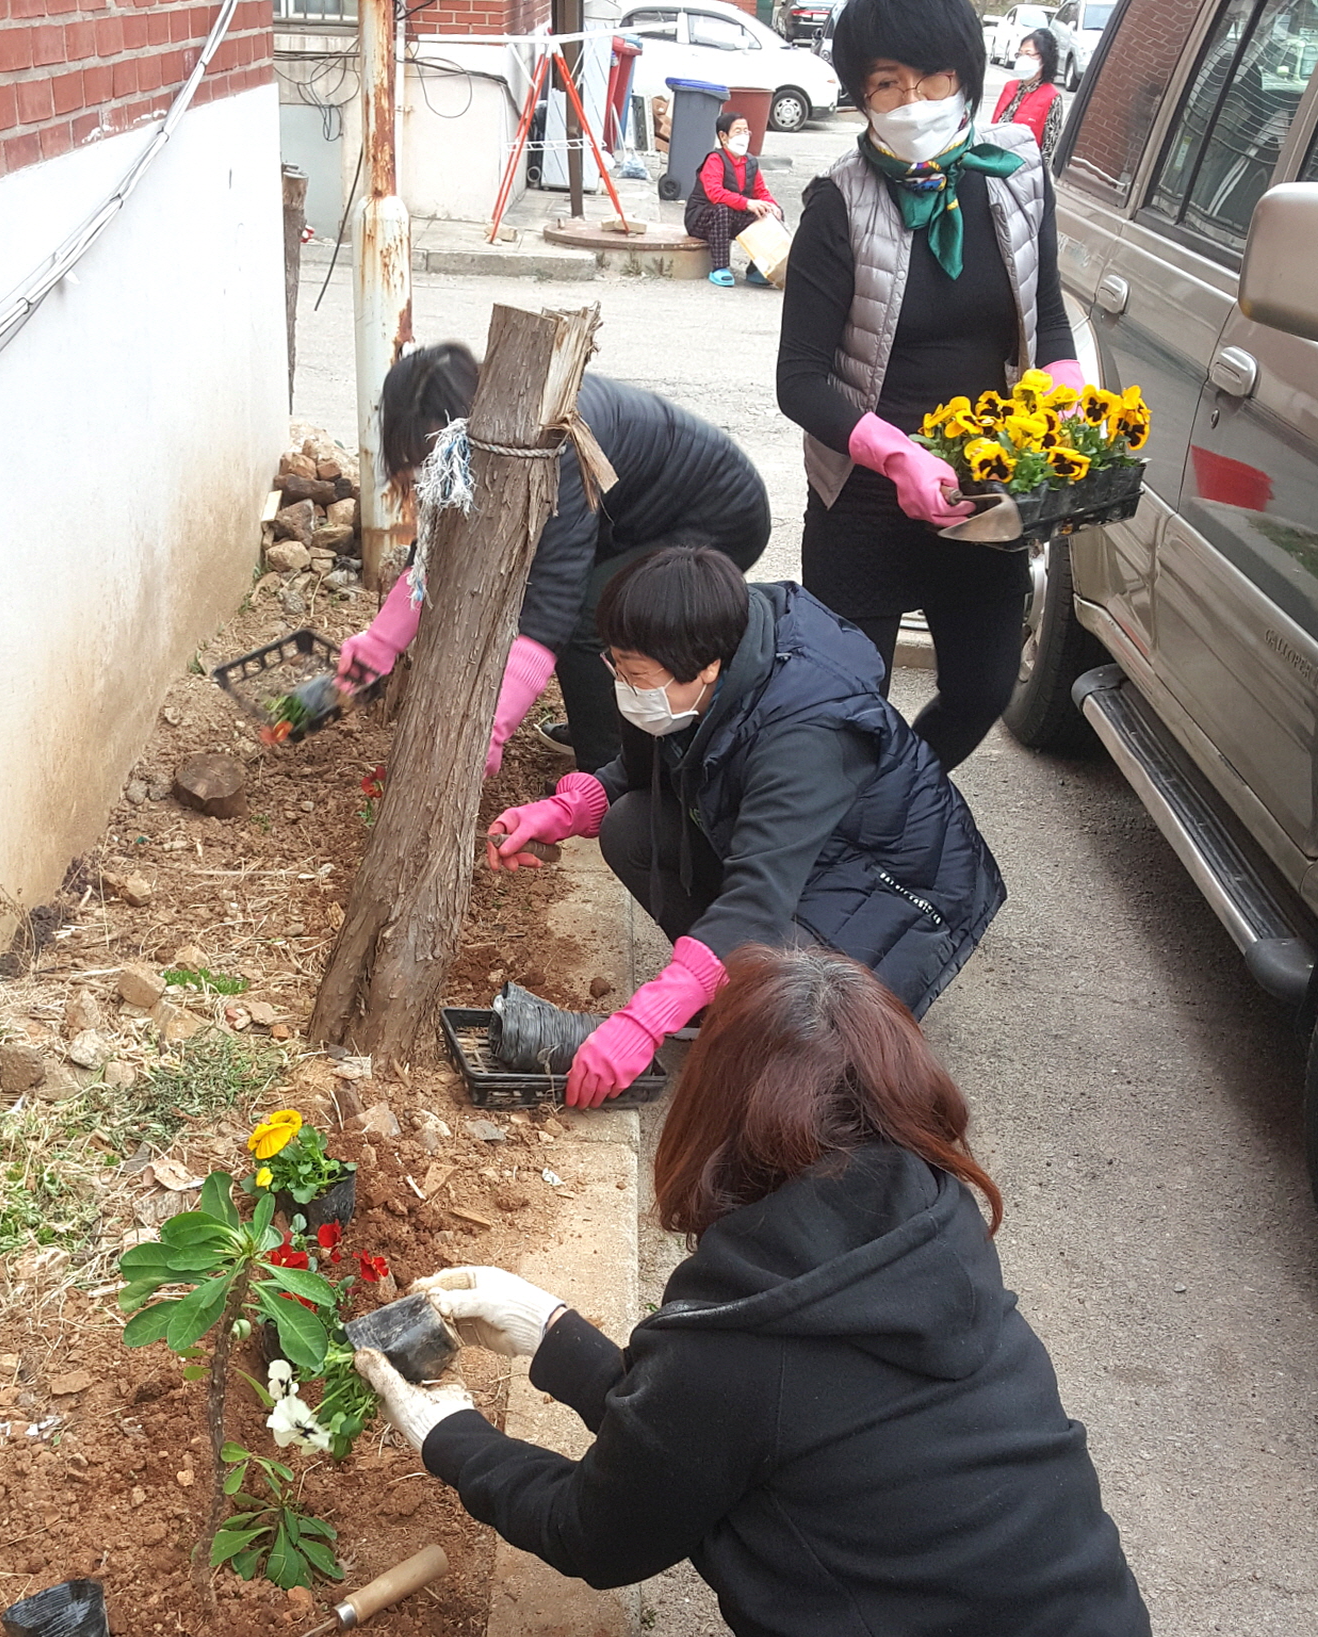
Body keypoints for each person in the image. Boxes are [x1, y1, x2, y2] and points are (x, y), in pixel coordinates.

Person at [352, 944, 1153, 1637]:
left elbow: (600, 1524)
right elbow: (706, 1434)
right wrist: (551, 1332)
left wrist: (450, 1436)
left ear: (721, 1114)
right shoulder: (917, 1235)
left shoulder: (745, 1338)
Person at [484, 546, 1004, 1108]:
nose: (624, 687)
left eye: (635, 675)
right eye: (617, 667)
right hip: (806, 850)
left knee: (793, 1064)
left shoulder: (809, 732)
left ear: (707, 667)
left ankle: (752, 997)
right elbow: (641, 771)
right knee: (631, 826)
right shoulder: (702, 644)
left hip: (892, 887)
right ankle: (725, 993)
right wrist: (563, 811)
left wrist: (646, 1019)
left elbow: (758, 900)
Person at [775, 0, 1083, 771]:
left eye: (934, 76)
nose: (915, 100)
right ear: (860, 93)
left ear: (967, 75)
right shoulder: (837, 203)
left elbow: (1044, 315)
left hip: (983, 489)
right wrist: (898, 456)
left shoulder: (1017, 175)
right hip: (867, 497)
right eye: (888, 82)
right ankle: (843, 835)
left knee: (982, 688)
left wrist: (1066, 386)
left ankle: (895, 806)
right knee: (850, 708)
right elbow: (799, 380)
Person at [335, 343, 770, 777]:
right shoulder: (475, 433)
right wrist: (378, 645)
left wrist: (492, 728)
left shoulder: (548, 443)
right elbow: (438, 549)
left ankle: (609, 771)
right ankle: (608, 730)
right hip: (635, 517)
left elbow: (554, 599)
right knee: (595, 606)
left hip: (716, 516)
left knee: (592, 618)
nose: (427, 463)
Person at [684, 107, 784, 287]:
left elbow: (761, 191)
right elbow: (715, 193)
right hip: (702, 218)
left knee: (769, 213)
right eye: (738, 131)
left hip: (734, 214)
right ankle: (719, 268)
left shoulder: (751, 162)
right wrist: (747, 203)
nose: (744, 135)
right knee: (722, 209)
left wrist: (771, 206)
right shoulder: (715, 159)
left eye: (746, 131)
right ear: (723, 137)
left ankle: (758, 269)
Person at [993, 27, 1065, 155]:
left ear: (1044, 58)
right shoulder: (1010, 87)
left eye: (1028, 54)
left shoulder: (1052, 97)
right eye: (1020, 54)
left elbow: (1049, 147)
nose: (1022, 59)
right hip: (995, 160)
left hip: (1026, 166)